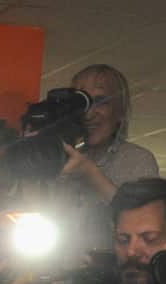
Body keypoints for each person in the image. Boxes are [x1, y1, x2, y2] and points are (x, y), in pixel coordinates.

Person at [61, 64, 159, 250]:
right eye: (81, 104)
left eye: (100, 102)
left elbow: (142, 224)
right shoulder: (62, 158)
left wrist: (89, 172)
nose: (88, 114)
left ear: (120, 112)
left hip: (114, 274)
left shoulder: (137, 160)